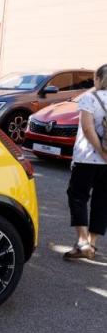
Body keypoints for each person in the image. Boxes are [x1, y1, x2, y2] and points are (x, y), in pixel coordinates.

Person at [64, 64, 107, 260]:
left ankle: (82, 241)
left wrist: (101, 151)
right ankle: (92, 244)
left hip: (87, 158)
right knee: (102, 201)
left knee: (78, 196)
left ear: (97, 79)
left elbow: (88, 129)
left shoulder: (90, 98)